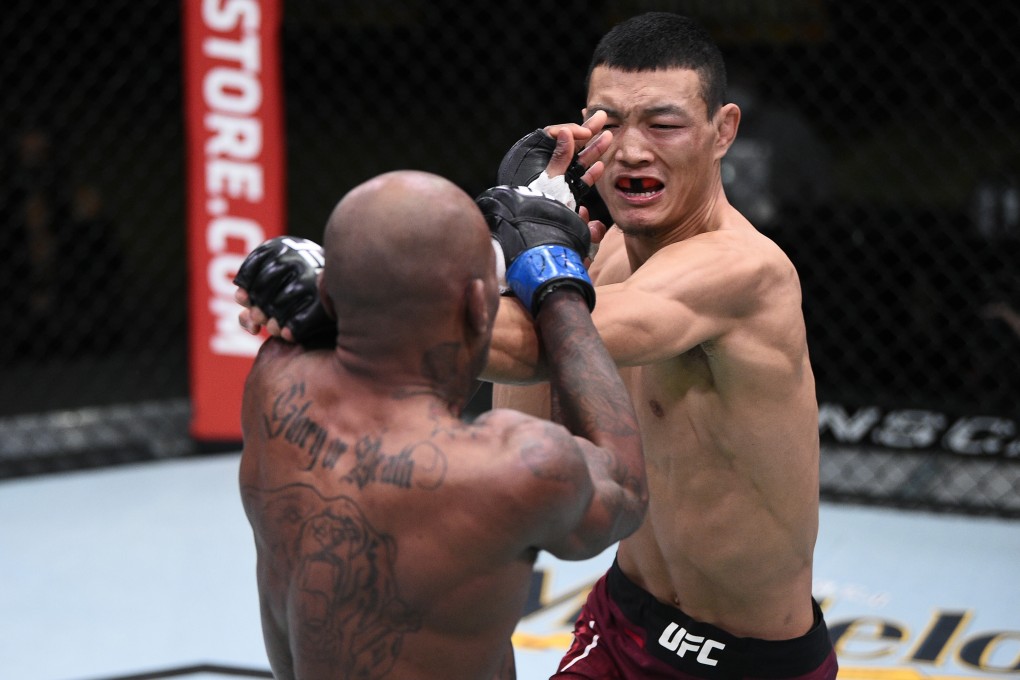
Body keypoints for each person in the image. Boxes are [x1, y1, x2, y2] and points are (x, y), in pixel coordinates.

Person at [235, 12, 838, 678]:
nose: (633, 151)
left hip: (750, 664)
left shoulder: (744, 270)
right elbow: (528, 409)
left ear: (723, 130)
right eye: (611, 123)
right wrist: (511, 256)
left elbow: (547, 342)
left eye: (663, 125)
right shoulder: (605, 259)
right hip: (623, 621)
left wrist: (341, 299)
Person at [234, 167, 646, 679]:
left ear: (329, 297)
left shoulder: (273, 379)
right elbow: (624, 489)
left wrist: (495, 251)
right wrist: (558, 284)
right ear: (478, 305)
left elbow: (386, 346)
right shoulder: (512, 469)